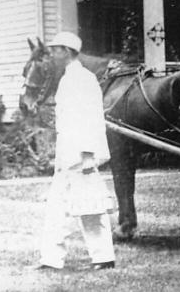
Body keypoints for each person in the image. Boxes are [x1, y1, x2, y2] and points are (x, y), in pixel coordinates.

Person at [36, 31, 115, 271]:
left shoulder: (84, 78)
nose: (51, 55)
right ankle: (51, 260)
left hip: (82, 157)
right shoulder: (67, 78)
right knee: (57, 208)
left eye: (55, 50)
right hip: (67, 156)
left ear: (67, 52)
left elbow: (92, 117)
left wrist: (90, 154)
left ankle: (103, 258)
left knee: (90, 208)